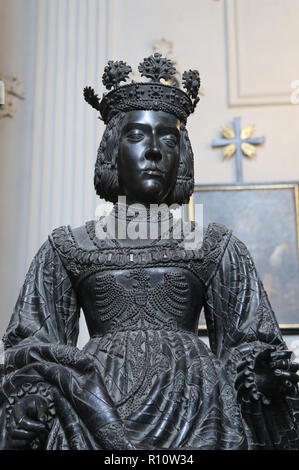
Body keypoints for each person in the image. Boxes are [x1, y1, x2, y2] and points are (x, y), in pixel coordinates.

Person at [0, 54, 298, 450]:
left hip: (200, 413)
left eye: (169, 138)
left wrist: (257, 368)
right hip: (95, 410)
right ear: (112, 150)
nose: (155, 149)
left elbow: (249, 338)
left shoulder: (214, 245)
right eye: (137, 135)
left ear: (182, 155)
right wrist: (30, 396)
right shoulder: (68, 246)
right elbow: (32, 344)